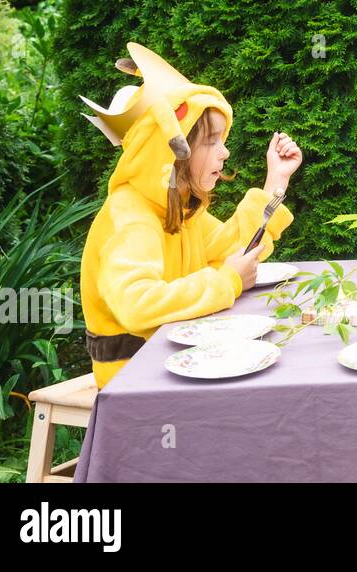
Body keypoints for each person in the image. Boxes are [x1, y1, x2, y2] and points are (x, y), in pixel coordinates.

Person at [79, 43, 301, 388]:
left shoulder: (181, 210)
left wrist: (276, 181)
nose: (225, 152)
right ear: (172, 151)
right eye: (212, 142)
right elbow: (136, 305)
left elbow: (234, 253)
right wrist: (227, 282)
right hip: (134, 375)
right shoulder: (132, 217)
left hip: (171, 361)